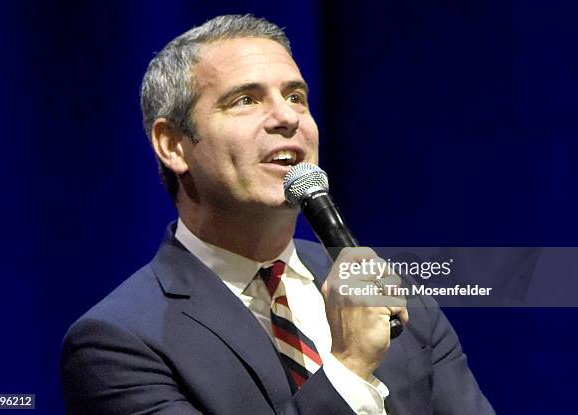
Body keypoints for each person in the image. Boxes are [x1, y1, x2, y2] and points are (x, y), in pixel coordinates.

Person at [61, 15, 494, 414]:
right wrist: (349, 369)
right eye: (245, 100)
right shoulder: (118, 343)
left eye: (296, 97)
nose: (287, 117)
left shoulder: (393, 299)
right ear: (173, 145)